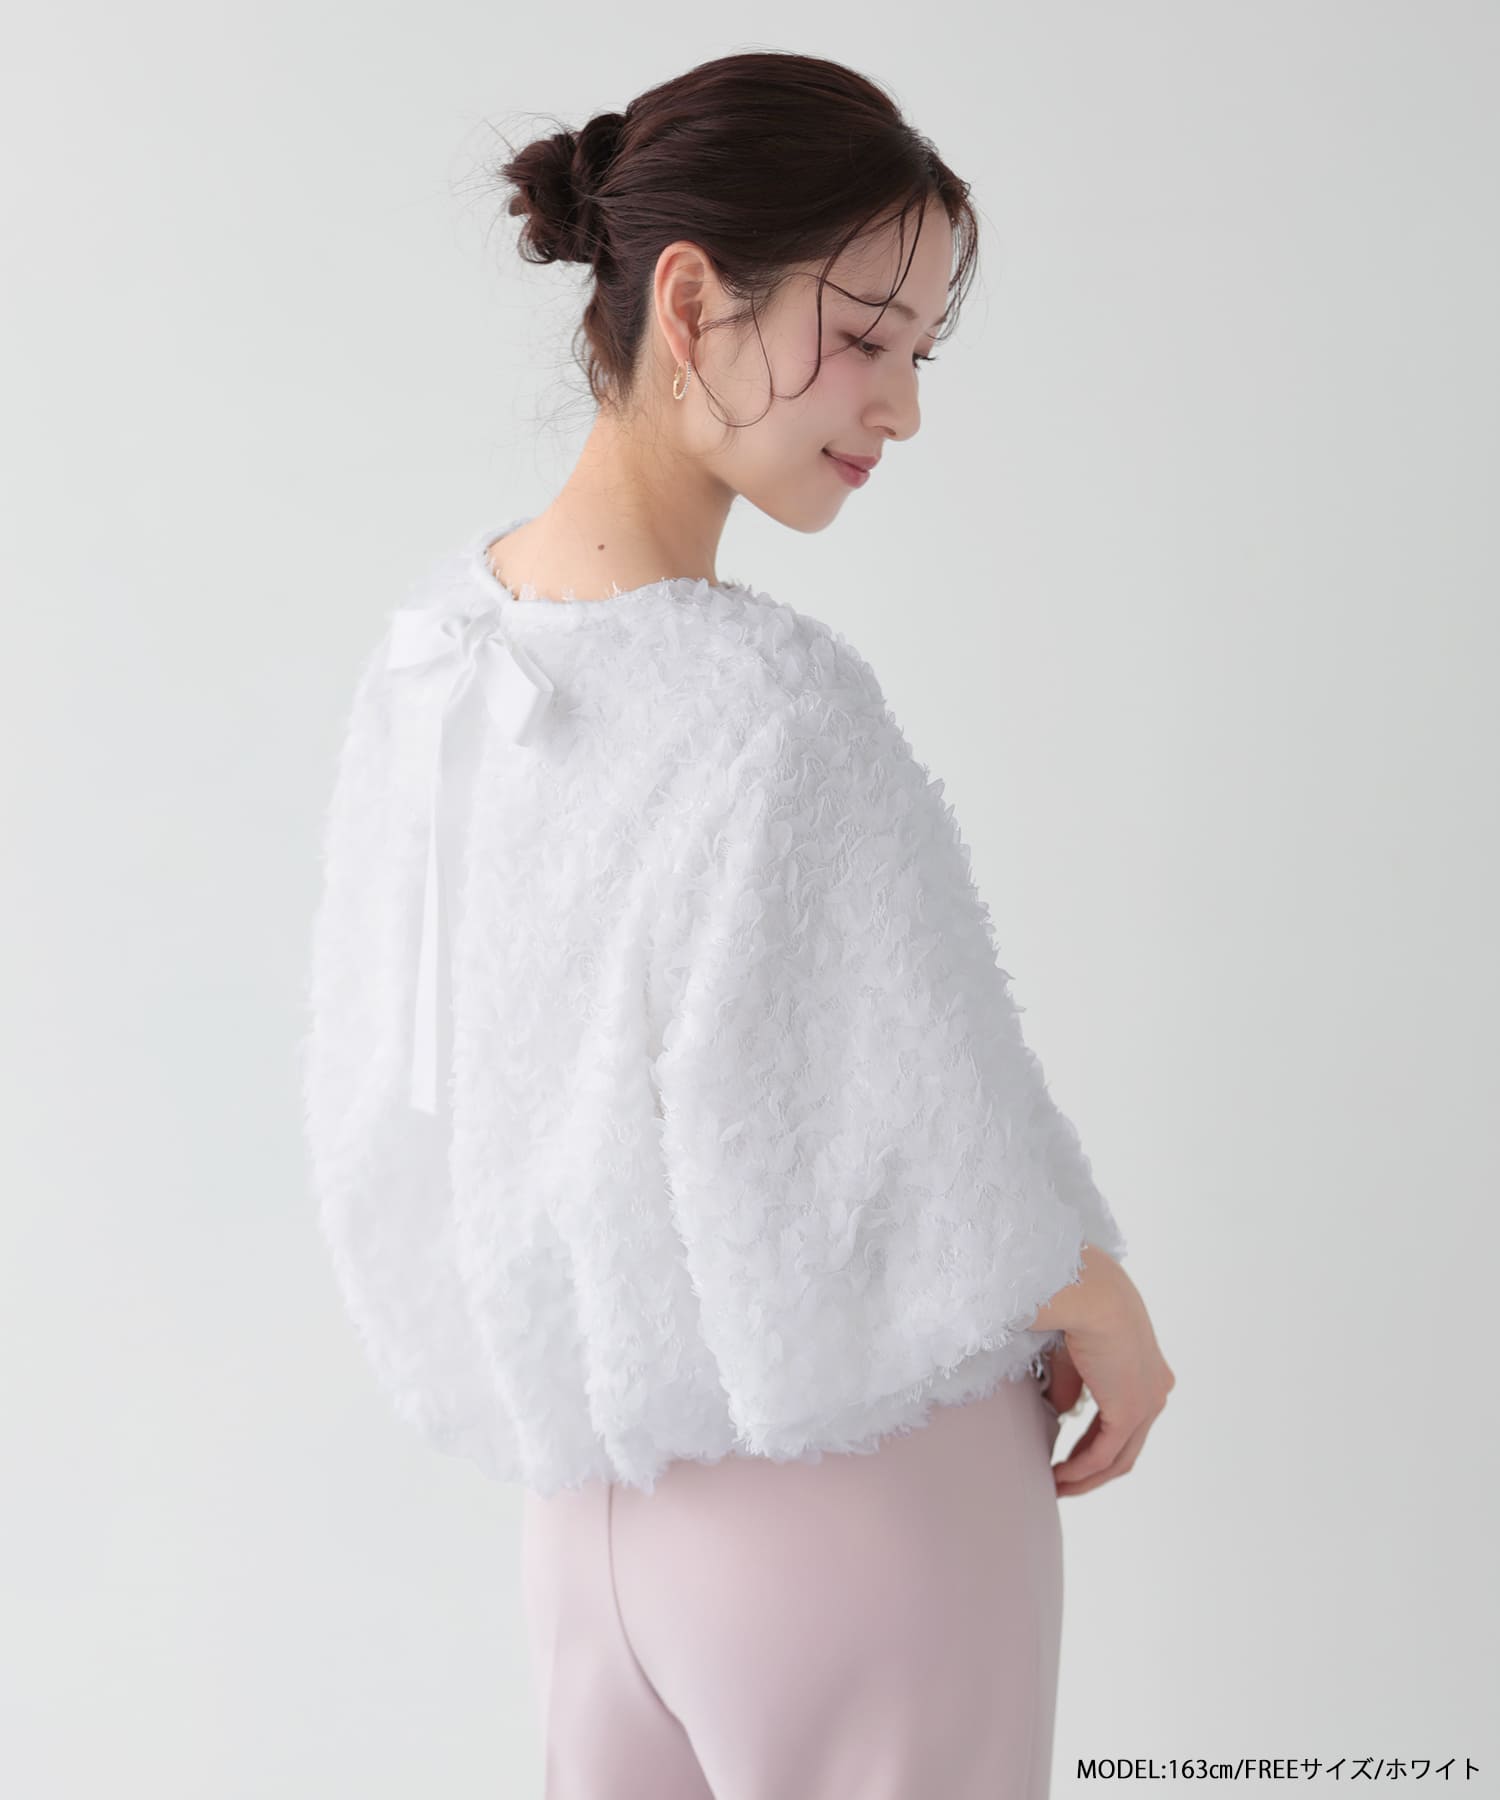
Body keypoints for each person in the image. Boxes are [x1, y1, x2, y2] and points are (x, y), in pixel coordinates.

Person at [301, 48, 1174, 1800]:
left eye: (921, 353)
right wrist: (1108, 1309)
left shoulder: (440, 657)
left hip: (591, 1530)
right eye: (863, 338)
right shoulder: (770, 708)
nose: (901, 407)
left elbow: (392, 1091)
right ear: (692, 303)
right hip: (859, 1503)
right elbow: (922, 1124)